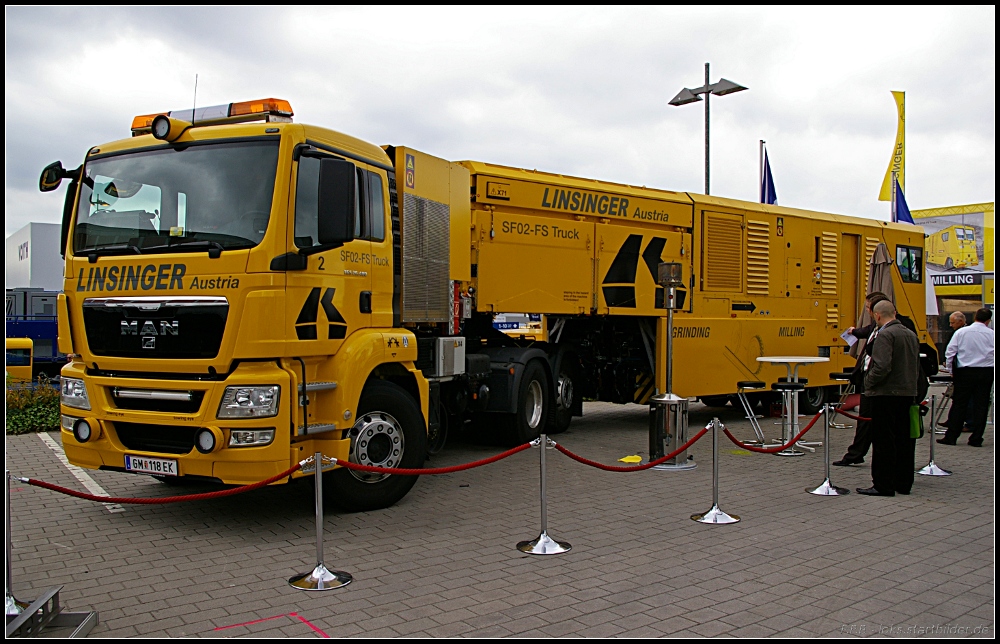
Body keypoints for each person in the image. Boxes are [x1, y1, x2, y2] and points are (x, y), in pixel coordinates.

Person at [857, 300, 920, 497]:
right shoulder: (910, 334)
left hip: (885, 393)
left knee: (884, 440)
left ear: (877, 316)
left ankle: (883, 484)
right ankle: (903, 482)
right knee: (904, 440)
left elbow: (882, 366)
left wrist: (868, 381)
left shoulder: (885, 334)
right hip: (907, 393)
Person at [833, 292, 889, 466]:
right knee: (865, 421)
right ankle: (856, 454)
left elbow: (884, 362)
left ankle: (867, 458)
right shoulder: (876, 326)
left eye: (868, 308)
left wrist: (871, 379)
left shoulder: (892, 328)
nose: (867, 311)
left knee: (877, 423)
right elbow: (864, 331)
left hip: (879, 383)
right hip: (868, 380)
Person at [937, 308, 995, 448]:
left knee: (959, 404)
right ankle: (976, 438)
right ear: (988, 320)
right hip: (986, 372)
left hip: (965, 372)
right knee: (981, 406)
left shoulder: (962, 332)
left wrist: (951, 370)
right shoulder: (991, 334)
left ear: (975, 317)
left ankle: (951, 436)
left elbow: (950, 352)